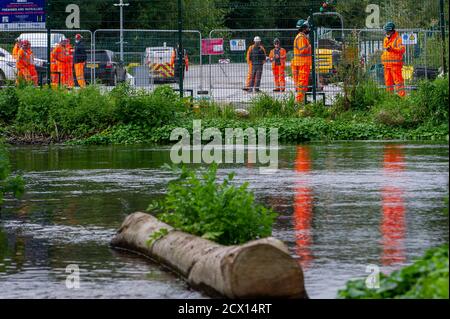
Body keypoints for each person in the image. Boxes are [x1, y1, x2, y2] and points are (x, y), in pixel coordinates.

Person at [381, 22, 406, 97]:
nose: (386, 33)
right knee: (388, 83)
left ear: (391, 31)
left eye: (387, 31)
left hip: (395, 65)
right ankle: (390, 98)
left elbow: (402, 49)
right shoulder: (385, 39)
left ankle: (402, 98)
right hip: (386, 65)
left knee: (398, 82)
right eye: (385, 31)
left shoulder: (398, 39)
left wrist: (392, 49)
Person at [292, 19, 312, 103]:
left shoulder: (302, 37)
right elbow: (302, 50)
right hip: (302, 63)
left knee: (303, 83)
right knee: (302, 83)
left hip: (303, 63)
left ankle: (302, 100)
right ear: (303, 28)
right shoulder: (300, 38)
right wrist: (310, 46)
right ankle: (300, 101)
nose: (308, 29)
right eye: (307, 27)